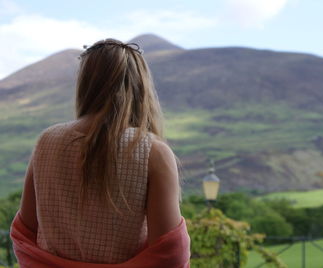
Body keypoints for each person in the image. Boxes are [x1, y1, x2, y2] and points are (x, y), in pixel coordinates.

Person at [10, 38, 190, 267]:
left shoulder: (46, 142)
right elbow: (170, 254)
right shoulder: (152, 151)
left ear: (85, 84)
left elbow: (24, 235)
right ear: (139, 85)